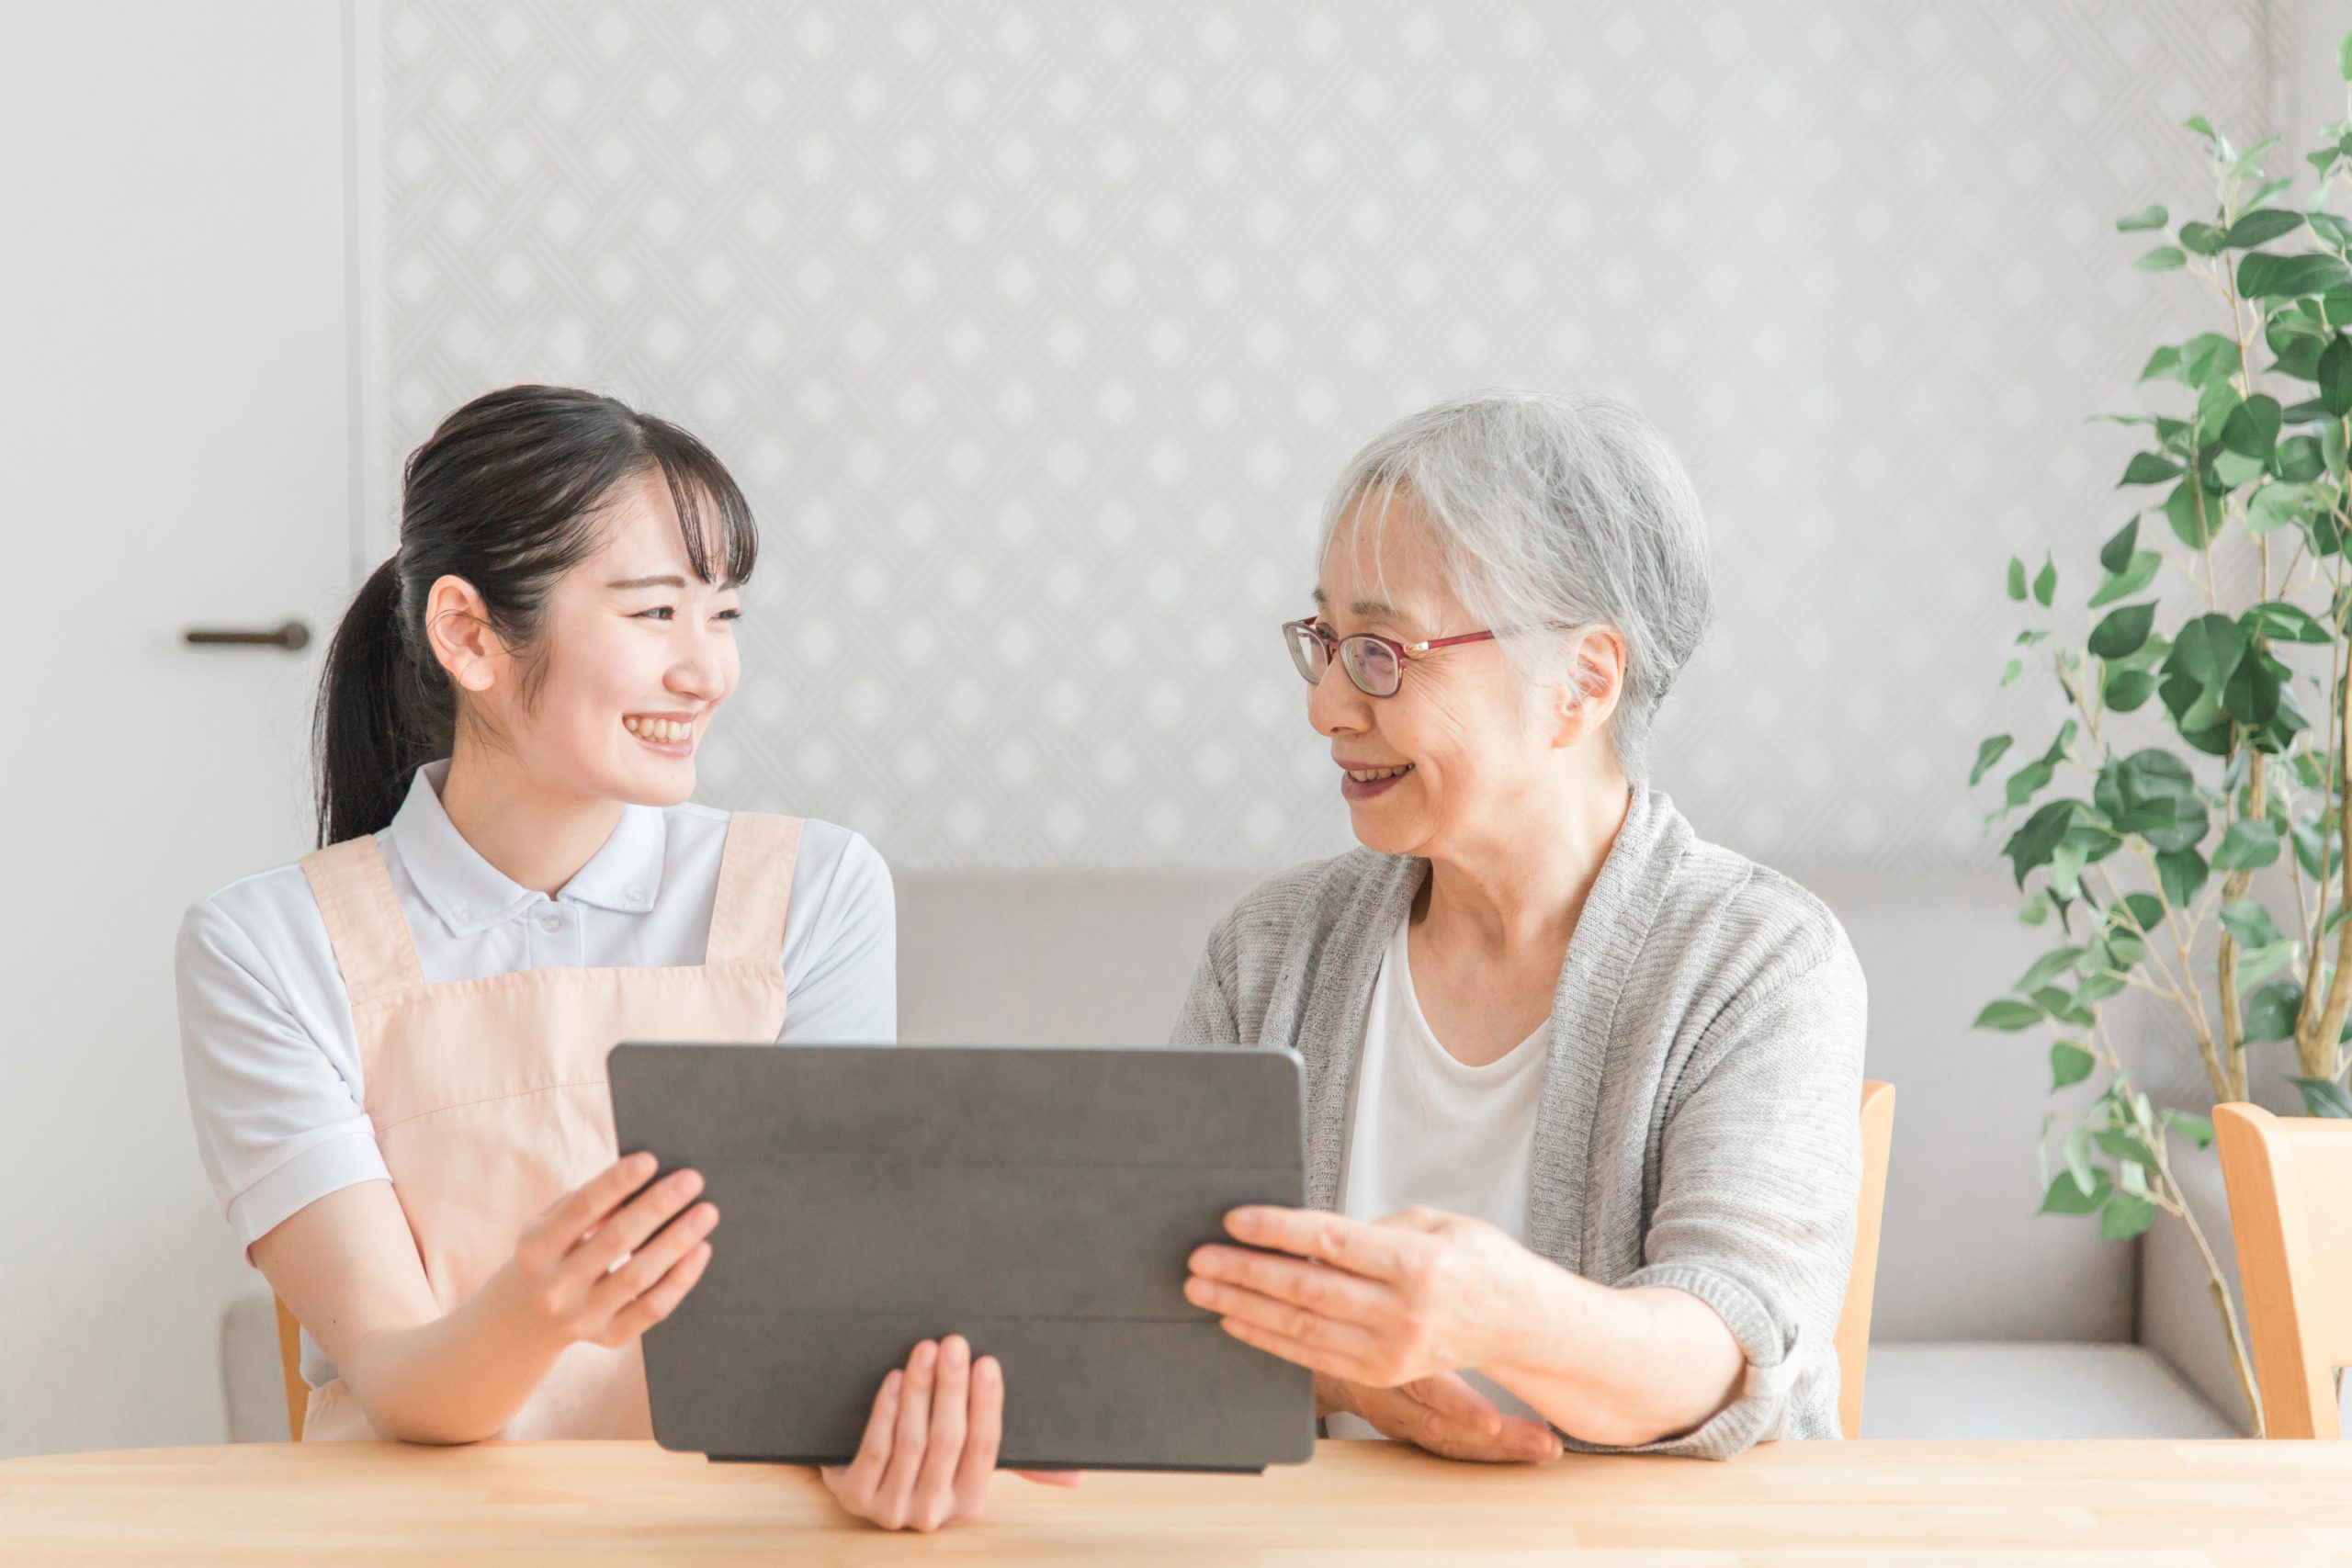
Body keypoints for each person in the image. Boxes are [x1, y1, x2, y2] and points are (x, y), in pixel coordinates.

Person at [176, 384, 1050, 1530]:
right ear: (469, 635)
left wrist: (876, 1444)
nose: (708, 672)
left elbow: (823, 1307)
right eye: (654, 615)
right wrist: (539, 1306)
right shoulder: (265, 948)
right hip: (416, 1539)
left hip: (741, 1540)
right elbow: (394, 1374)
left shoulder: (813, 893)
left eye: (722, 615)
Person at [1173, 389, 1867, 1461]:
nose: (1324, 706)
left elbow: (1733, 1346)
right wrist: (1328, 1368)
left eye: (1383, 652)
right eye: (1327, 640)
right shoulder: (1269, 952)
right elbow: (1166, 1299)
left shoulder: (1759, 961)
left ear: (1581, 683)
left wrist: (1495, 1311)